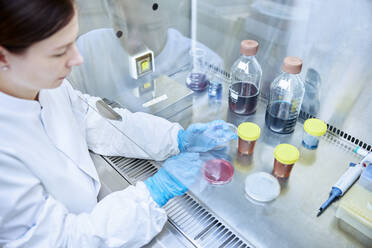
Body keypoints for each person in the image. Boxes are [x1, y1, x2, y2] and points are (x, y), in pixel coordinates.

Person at [0, 1, 236, 247]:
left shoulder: (45, 87)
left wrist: (175, 138)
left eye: (73, 41)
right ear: (3, 55)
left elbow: (95, 120)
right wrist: (154, 193)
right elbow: (63, 241)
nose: (78, 58)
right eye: (60, 51)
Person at [68, 0, 223, 111]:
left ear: (173, 17)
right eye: (121, 25)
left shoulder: (203, 64)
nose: (132, 42)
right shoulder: (89, 49)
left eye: (148, 28)